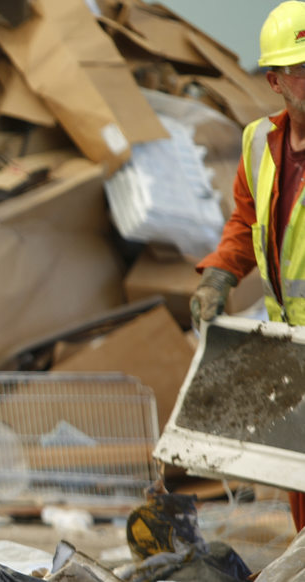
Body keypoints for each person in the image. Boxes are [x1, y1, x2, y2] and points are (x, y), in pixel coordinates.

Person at [191, 0, 305, 532]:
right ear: (275, 80)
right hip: (290, 346)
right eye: (303, 71)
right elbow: (245, 220)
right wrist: (220, 275)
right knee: (300, 483)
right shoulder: (259, 141)